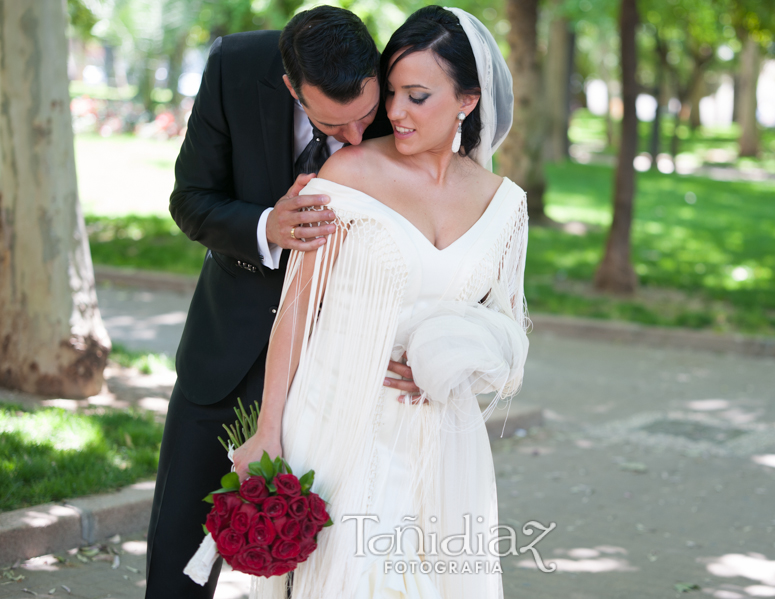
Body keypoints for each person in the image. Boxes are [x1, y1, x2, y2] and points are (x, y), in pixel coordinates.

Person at [233, 6, 528, 598]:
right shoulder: (346, 174)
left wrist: (453, 366)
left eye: (417, 96)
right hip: (335, 420)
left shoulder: (506, 207)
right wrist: (268, 429)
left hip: (440, 441)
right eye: (391, 92)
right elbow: (296, 311)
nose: (394, 112)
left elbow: (504, 326)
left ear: (467, 100)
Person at [145, 7, 421, 598]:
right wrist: (268, 225)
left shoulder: (402, 91)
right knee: (178, 552)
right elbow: (191, 200)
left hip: (341, 371)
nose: (355, 139)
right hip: (226, 352)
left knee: (324, 563)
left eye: (366, 117)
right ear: (291, 86)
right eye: (333, 123)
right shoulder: (233, 68)